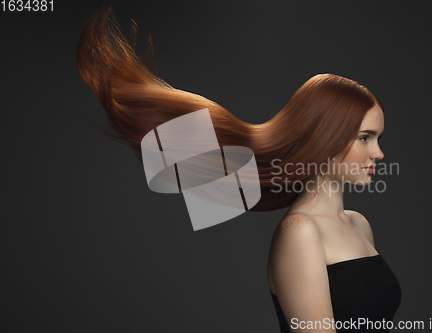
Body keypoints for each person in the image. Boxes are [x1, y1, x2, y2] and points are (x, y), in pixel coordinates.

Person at [77, 5, 401, 332]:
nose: (379, 153)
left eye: (378, 138)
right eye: (365, 138)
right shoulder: (300, 232)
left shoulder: (359, 225)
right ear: (325, 138)